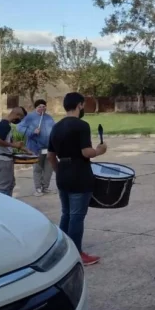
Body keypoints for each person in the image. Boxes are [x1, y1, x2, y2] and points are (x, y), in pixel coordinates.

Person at [47, 92, 107, 266]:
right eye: (83, 105)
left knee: (66, 214)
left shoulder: (56, 127)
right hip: (80, 174)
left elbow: (51, 156)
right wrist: (99, 151)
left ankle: (61, 249)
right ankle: (77, 253)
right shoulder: (81, 125)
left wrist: (59, 172)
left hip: (63, 174)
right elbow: (86, 152)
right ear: (80, 105)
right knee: (76, 216)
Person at [17, 99, 56, 196]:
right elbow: (19, 127)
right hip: (35, 147)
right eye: (40, 107)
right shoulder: (30, 117)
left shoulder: (49, 118)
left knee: (49, 168)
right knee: (37, 168)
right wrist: (32, 132)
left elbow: (54, 129)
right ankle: (38, 188)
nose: (42, 108)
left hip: (48, 148)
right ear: (36, 108)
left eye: (44, 106)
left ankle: (45, 187)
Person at [0, 107, 29, 196]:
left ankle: (7, 204)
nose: (21, 120)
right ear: (17, 115)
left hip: (4, 159)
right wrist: (14, 145)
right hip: (2, 160)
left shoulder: (5, 124)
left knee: (11, 184)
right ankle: (3, 207)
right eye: (21, 118)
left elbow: (8, 141)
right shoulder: (5, 125)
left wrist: (26, 150)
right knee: (5, 187)